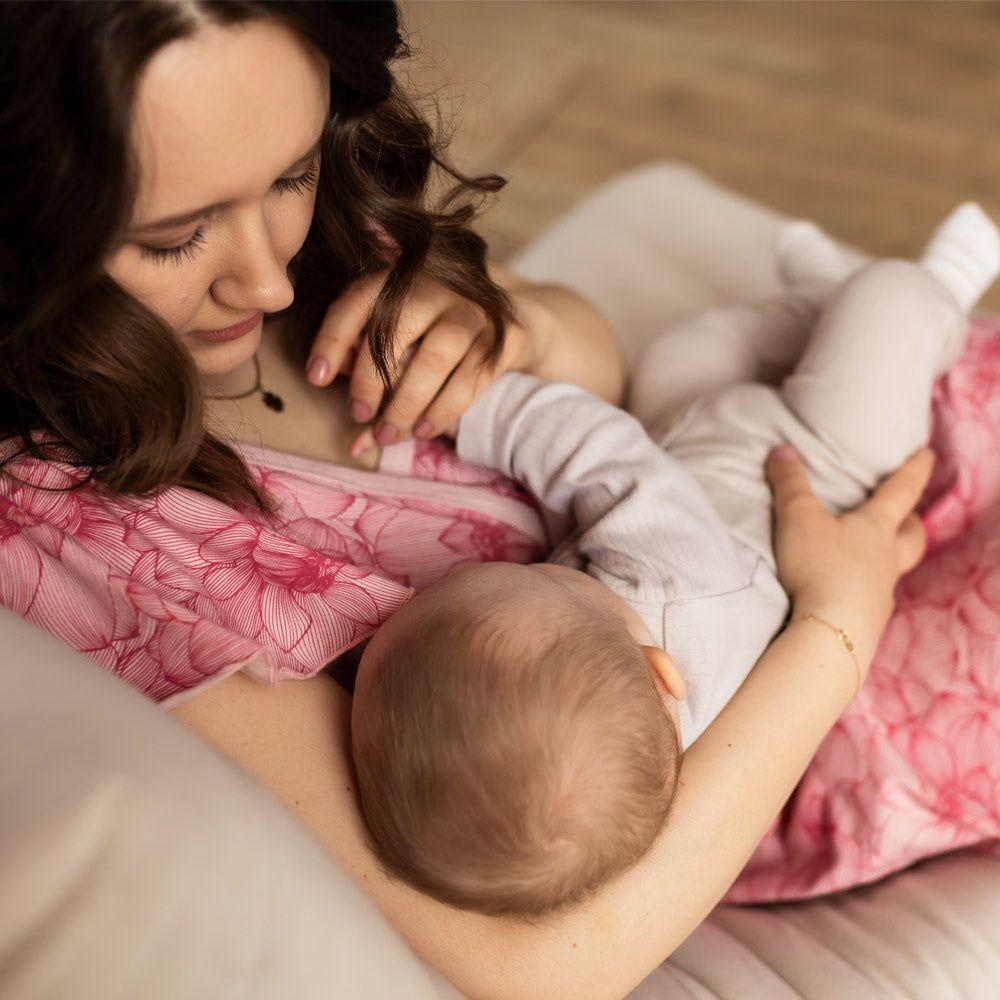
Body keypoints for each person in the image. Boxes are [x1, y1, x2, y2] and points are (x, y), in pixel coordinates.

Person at [0, 2, 942, 996]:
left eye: (290, 171)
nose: (271, 280)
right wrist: (838, 623)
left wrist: (515, 332)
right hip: (793, 684)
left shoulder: (329, 254)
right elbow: (542, 965)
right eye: (175, 237)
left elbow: (597, 375)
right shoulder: (67, 549)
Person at [348, 204, 998, 918]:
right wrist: (475, 409)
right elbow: (596, 449)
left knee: (675, 361)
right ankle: (935, 285)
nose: (541, 560)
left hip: (691, 441)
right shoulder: (669, 585)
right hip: (823, 464)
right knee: (891, 300)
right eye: (550, 574)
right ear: (661, 668)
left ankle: (820, 303)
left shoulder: (630, 769)